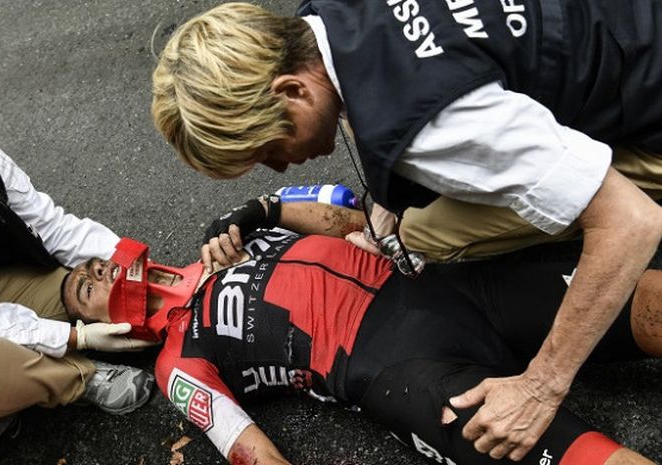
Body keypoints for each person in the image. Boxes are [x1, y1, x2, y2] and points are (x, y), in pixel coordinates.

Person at [149, 2, 662, 458]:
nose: (282, 170)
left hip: (643, 115)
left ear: (292, 89)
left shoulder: (435, 127)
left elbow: (632, 222)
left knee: (436, 235)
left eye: (269, 150)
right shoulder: (326, 19)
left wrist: (541, 385)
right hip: (623, 32)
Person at [61, 200, 660, 465]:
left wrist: (262, 209)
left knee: (641, 298)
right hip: (398, 370)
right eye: (82, 291)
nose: (94, 273)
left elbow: (353, 217)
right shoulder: (177, 367)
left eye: (91, 265)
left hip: (435, 287)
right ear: (103, 330)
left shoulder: (224, 246)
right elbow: (249, 450)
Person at [0, 89, 155, 465]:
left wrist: (133, 267)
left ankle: (4, 397)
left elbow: (49, 225)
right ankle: (75, 378)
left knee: (87, 294)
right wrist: (77, 338)